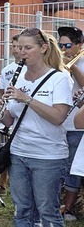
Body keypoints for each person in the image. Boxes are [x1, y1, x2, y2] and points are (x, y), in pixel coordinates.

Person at [0, 27, 72, 226]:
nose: (22, 52)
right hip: (19, 151)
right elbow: (11, 120)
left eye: (28, 48)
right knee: (22, 210)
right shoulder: (18, 77)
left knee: (48, 212)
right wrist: (0, 112)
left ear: (43, 48)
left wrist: (27, 99)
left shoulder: (59, 78)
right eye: (19, 47)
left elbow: (58, 117)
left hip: (47, 155)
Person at [58, 26, 84, 221]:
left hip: (77, 122)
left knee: (74, 166)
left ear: (79, 45)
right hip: (59, 120)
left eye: (67, 45)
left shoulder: (80, 62)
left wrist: (73, 67)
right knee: (60, 163)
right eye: (60, 45)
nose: (64, 49)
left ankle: (69, 208)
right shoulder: (57, 61)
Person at [0, 34, 23, 197]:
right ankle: (3, 183)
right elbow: (3, 92)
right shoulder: (7, 70)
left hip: (23, 115)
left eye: (17, 46)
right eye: (12, 45)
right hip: (10, 114)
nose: (14, 49)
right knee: (5, 149)